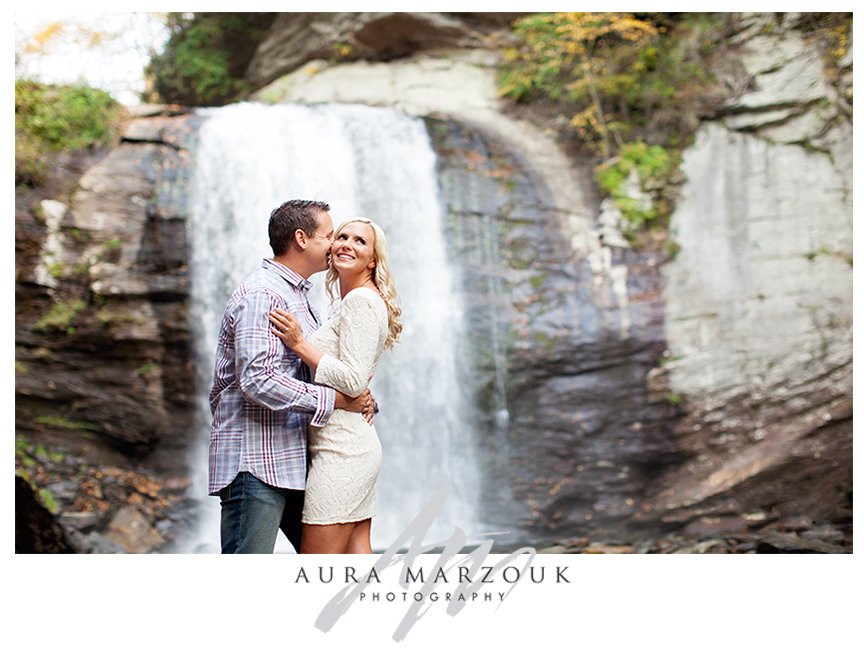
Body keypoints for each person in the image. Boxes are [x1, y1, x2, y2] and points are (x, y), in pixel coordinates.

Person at [208, 199, 375, 554]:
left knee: (337, 561)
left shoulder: (300, 295)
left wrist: (358, 393)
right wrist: (337, 402)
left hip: (295, 459)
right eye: (329, 235)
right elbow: (257, 379)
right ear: (301, 239)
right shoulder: (262, 294)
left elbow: (313, 366)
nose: (336, 244)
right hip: (255, 463)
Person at [268, 217, 402, 553]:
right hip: (348, 444)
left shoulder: (360, 301)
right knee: (355, 557)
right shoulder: (350, 301)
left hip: (341, 451)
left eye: (360, 241)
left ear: (373, 259)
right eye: (341, 236)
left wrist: (300, 344)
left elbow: (354, 380)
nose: (346, 244)